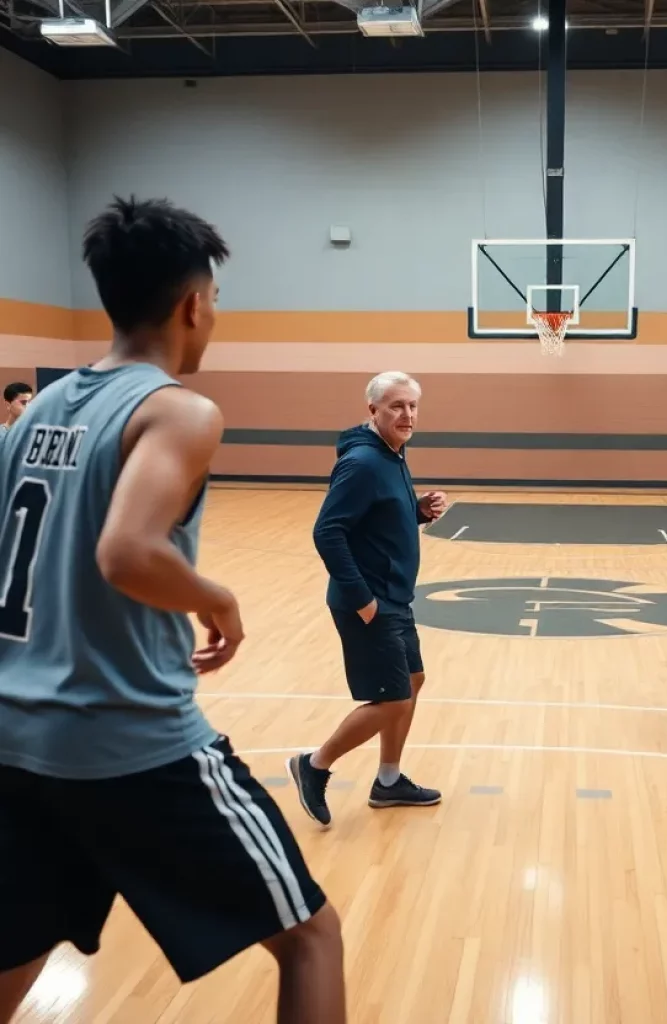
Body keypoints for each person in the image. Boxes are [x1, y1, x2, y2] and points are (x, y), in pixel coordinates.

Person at [0, 196, 346, 1024]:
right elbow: (126, 552)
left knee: (13, 949)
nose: (215, 316)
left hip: (15, 739)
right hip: (129, 740)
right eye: (216, 300)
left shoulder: (35, 410)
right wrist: (219, 599)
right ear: (194, 303)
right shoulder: (178, 409)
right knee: (311, 937)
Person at [287, 371, 447, 828]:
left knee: (412, 681)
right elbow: (328, 532)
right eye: (397, 406)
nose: (408, 414)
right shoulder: (362, 463)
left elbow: (375, 517)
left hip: (394, 596)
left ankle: (389, 781)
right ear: (373, 410)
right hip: (369, 602)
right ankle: (313, 765)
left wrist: (416, 511)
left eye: (413, 406)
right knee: (393, 699)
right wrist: (363, 601)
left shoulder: (391, 453)